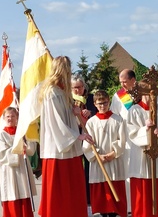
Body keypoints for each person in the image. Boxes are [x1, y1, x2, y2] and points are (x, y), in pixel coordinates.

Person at [38, 55, 94, 217]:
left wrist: (74, 111)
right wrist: (77, 136)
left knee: (73, 188)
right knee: (60, 191)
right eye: (67, 69)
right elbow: (56, 122)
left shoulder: (63, 91)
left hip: (69, 148)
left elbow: (66, 116)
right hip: (58, 149)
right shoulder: (52, 93)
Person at [126, 80, 158, 217]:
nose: (151, 98)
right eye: (147, 95)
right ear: (141, 94)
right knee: (142, 188)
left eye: (154, 95)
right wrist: (145, 129)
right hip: (140, 155)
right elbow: (131, 133)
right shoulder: (134, 111)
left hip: (157, 154)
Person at [83, 90, 127, 217]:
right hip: (99, 162)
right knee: (103, 198)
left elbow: (122, 140)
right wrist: (97, 155)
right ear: (95, 104)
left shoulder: (118, 120)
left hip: (114, 160)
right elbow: (87, 144)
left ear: (109, 102)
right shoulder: (91, 123)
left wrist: (113, 154)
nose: (103, 106)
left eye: (105, 102)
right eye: (100, 103)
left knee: (115, 195)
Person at [0, 107, 37, 217]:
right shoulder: (0, 135)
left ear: (17, 117)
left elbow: (31, 151)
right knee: (12, 195)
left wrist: (28, 143)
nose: (10, 118)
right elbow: (1, 154)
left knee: (24, 194)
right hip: (9, 170)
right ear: (3, 118)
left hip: (22, 168)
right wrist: (18, 149)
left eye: (13, 116)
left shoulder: (22, 132)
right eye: (8, 116)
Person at [110, 69, 136, 215]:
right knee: (127, 171)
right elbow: (115, 117)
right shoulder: (119, 96)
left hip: (142, 138)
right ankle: (129, 207)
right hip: (127, 140)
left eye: (125, 82)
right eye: (121, 82)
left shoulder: (143, 93)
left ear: (133, 80)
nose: (123, 85)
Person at [71, 73, 97, 214]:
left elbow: (98, 111)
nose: (77, 90)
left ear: (84, 87)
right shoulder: (68, 99)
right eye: (74, 88)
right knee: (76, 166)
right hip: (75, 135)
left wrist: (90, 112)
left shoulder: (91, 98)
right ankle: (78, 194)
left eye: (80, 87)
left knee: (89, 165)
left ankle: (89, 196)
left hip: (88, 134)